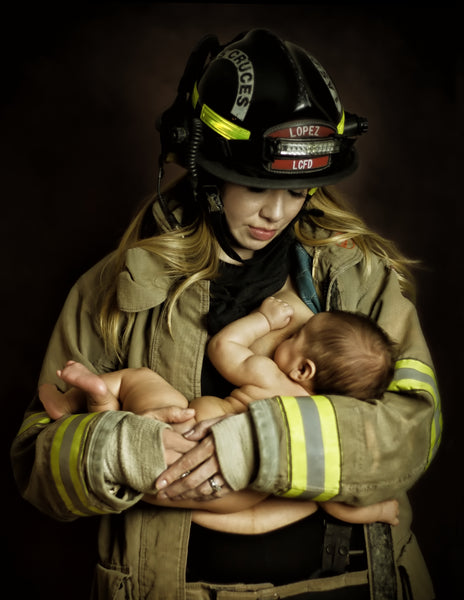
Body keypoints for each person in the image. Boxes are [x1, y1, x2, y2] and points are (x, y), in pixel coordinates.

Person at [10, 29, 440, 599]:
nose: (276, 211)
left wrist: (262, 444)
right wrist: (123, 449)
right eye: (256, 185)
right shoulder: (114, 291)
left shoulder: (358, 280)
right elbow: (37, 467)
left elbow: (412, 432)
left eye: (298, 191)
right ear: (206, 167)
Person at [39, 294, 400, 531]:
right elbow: (333, 506)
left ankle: (89, 398)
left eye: (294, 339)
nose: (285, 340)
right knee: (290, 509)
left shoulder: (269, 375)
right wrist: (379, 511)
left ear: (303, 370)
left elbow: (222, 346)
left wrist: (265, 319)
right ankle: (171, 499)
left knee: (141, 380)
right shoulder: (323, 429)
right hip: (236, 495)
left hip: (182, 434)